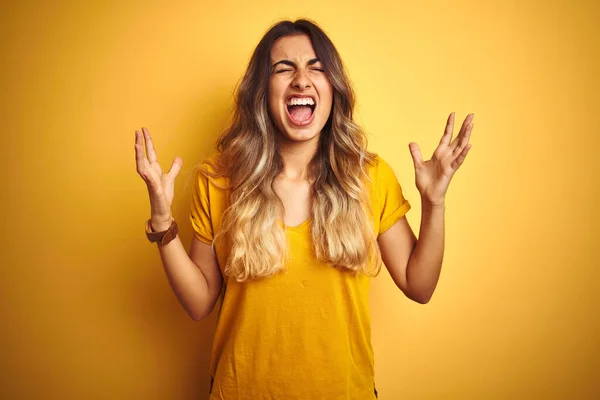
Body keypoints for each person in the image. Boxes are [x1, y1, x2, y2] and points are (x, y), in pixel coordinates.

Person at [134, 19, 473, 400]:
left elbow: (420, 285)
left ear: (334, 89)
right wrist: (163, 223)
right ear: (261, 91)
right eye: (284, 68)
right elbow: (199, 304)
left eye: (316, 67)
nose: (301, 79)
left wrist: (434, 202)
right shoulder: (218, 180)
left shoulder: (370, 177)